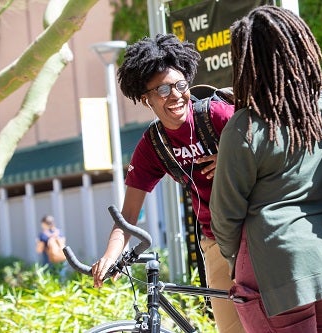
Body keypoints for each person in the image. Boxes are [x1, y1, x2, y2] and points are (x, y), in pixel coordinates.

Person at [210, 5, 322, 333]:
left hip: (273, 267)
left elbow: (225, 215)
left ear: (249, 61)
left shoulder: (246, 128)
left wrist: (237, 262)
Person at [89, 34, 244, 333]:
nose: (175, 95)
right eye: (162, 89)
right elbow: (128, 216)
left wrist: (233, 155)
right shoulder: (153, 145)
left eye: (180, 85)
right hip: (215, 238)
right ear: (146, 98)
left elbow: (267, 147)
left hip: (254, 230)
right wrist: (111, 255)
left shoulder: (216, 115)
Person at [36, 214, 67, 279]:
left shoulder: (43, 235)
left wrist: (38, 242)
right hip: (61, 259)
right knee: (61, 278)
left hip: (48, 260)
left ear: (44, 224)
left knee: (49, 278)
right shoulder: (60, 232)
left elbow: (39, 250)